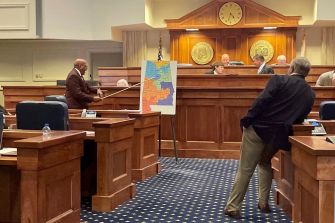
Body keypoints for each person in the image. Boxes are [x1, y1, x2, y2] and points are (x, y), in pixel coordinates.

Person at [224, 57, 315, 220]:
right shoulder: (310, 93)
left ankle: (233, 206)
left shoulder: (279, 80)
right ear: (307, 73)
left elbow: (261, 101)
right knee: (265, 163)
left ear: (291, 67)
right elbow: (301, 117)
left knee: (245, 169)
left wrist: (247, 119)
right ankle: (263, 203)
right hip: (279, 136)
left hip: (258, 130)